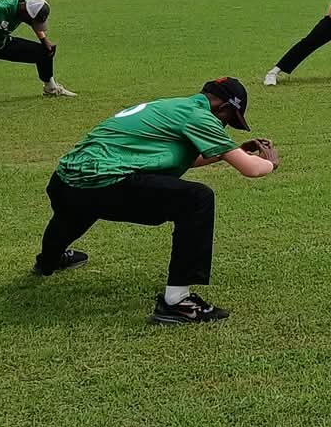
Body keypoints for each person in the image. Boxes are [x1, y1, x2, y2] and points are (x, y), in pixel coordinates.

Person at [36, 77, 278, 325]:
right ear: (222, 107)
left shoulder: (172, 106)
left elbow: (177, 157)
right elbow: (251, 169)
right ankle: (177, 303)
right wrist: (270, 161)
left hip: (65, 179)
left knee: (76, 210)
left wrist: (229, 151)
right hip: (103, 182)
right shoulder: (200, 115)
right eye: (228, 119)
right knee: (197, 199)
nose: (224, 126)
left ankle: (48, 260)